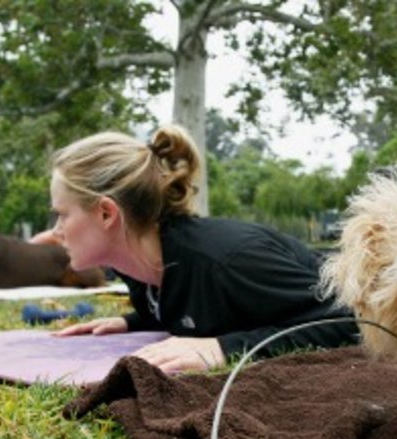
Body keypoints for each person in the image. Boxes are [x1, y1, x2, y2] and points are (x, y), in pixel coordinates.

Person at [49, 125, 359, 373]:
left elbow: (348, 322)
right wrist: (132, 323)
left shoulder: (229, 261)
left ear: (106, 214)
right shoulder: (138, 269)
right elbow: (188, 306)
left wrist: (224, 348)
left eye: (61, 215)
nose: (55, 231)